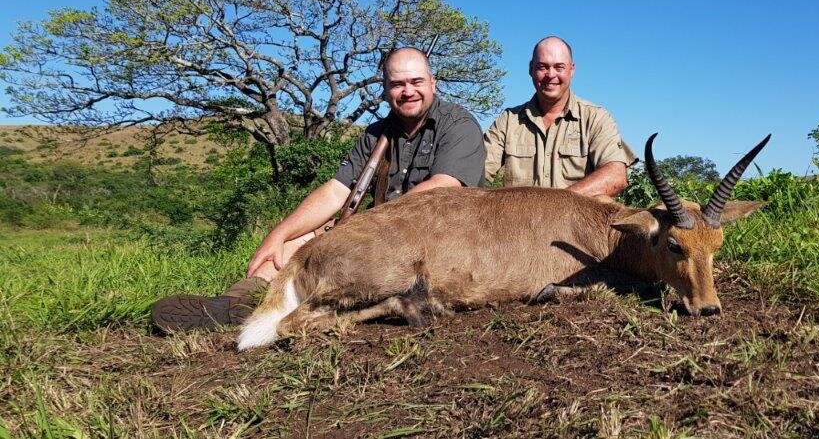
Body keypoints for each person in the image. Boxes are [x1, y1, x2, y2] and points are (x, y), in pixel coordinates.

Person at [152, 47, 486, 332]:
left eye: (416, 82)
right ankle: (236, 302)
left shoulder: (458, 124)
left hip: (437, 239)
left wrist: (365, 229)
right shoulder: (376, 133)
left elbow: (443, 189)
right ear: (385, 89)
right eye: (397, 84)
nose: (407, 91)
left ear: (433, 83)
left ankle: (294, 304)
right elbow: (337, 190)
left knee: (345, 257)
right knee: (293, 245)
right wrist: (278, 234)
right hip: (380, 231)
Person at [483, 36, 636, 196]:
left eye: (559, 67)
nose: (550, 75)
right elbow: (474, 171)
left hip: (576, 220)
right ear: (530, 69)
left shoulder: (596, 118)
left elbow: (616, 176)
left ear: (572, 69)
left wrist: (557, 205)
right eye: (542, 67)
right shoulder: (508, 120)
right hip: (517, 220)